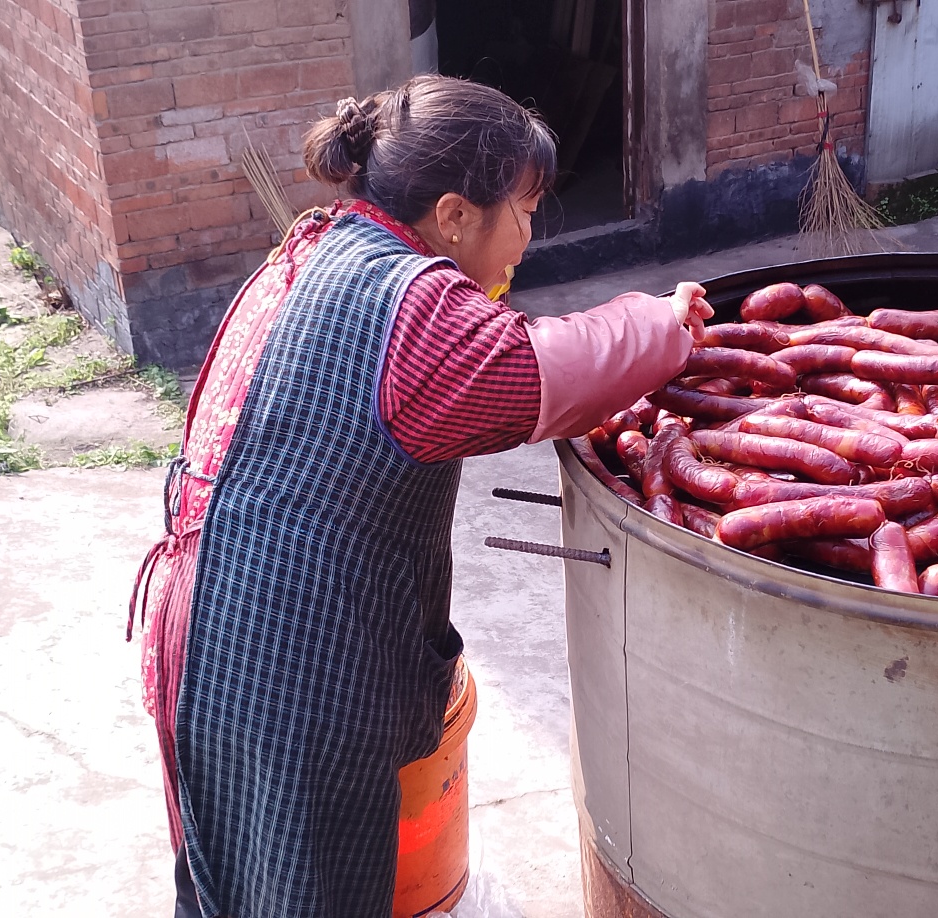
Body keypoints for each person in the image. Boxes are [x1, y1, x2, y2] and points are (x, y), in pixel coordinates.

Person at [127, 74, 710, 918]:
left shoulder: (321, 244)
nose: (528, 236)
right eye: (524, 209)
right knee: (304, 893)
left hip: (204, 628)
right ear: (454, 215)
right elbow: (543, 371)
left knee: (225, 877)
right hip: (287, 664)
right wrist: (663, 323)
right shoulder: (415, 309)